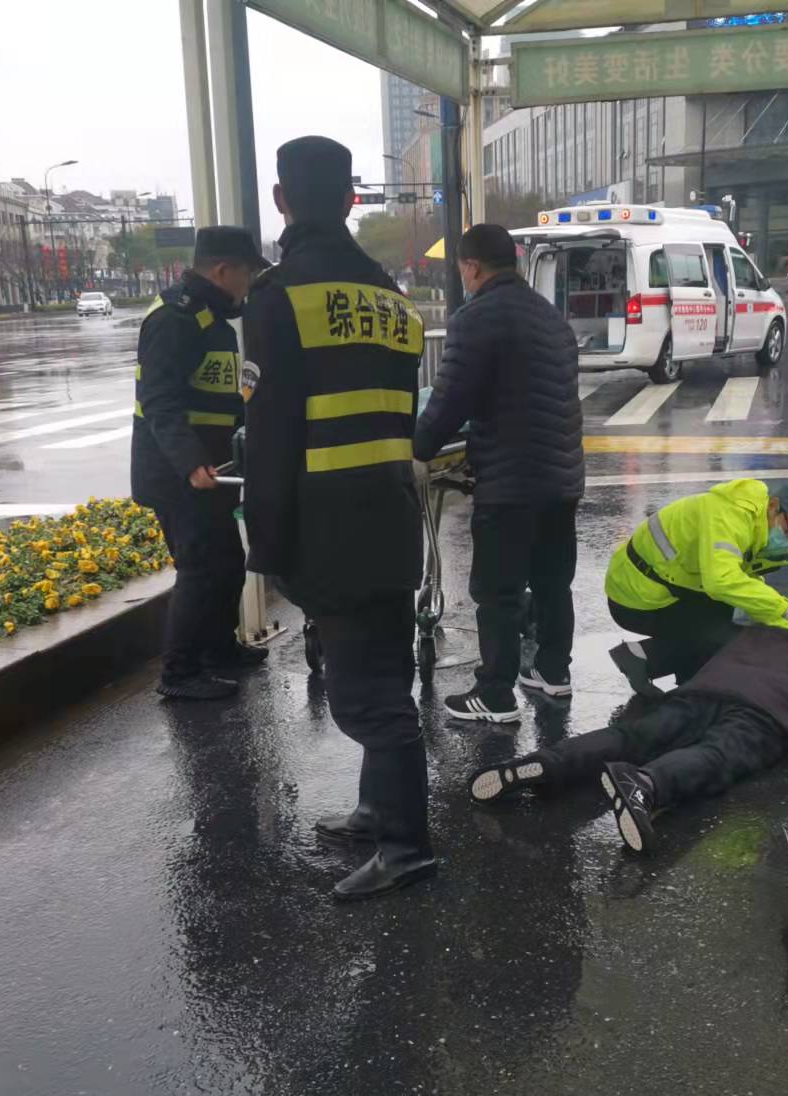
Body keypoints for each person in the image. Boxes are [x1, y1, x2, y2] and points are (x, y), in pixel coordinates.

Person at [242, 136, 432, 902]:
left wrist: (266, 548)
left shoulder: (279, 296)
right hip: (390, 518)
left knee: (367, 701)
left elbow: (270, 437)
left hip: (328, 532)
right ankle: (375, 812)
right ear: (353, 199)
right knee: (385, 676)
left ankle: (406, 847)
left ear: (282, 200)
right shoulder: (391, 297)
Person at [470, 627, 788, 852]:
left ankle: (547, 763)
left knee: (631, 736)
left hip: (704, 690)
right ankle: (645, 786)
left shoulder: (769, 629)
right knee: (719, 755)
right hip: (765, 712)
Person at [414, 223, 584, 724]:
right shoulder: (551, 317)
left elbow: (449, 400)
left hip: (510, 483)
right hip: (561, 478)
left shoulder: (475, 318)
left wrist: (418, 448)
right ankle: (553, 671)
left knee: (498, 592)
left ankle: (495, 695)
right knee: (553, 582)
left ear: (471, 267)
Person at [131, 224, 271, 701]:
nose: (248, 285)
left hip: (212, 471)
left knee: (228, 563)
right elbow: (159, 401)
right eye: (247, 274)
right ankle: (179, 672)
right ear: (222, 270)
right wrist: (190, 462)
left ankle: (218, 649)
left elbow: (222, 399)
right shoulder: (175, 319)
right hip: (178, 474)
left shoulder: (212, 319)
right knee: (199, 569)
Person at [604, 477, 788, 692]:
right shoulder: (730, 515)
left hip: (668, 588)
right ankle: (651, 661)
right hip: (636, 598)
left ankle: (682, 679)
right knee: (723, 640)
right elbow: (722, 580)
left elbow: (746, 588)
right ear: (773, 506)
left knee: (723, 616)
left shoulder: (756, 527)